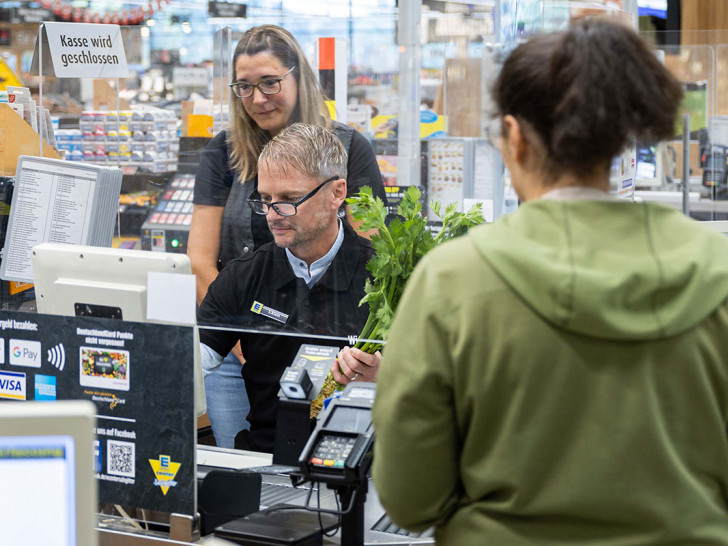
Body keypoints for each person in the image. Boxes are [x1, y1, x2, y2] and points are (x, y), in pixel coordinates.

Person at [373, 19, 728, 544]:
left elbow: (410, 499)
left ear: (515, 138)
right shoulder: (717, 268)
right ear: (621, 138)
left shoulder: (453, 279)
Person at [188, 25, 386, 448]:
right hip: (247, 335)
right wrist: (243, 328)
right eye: (244, 86)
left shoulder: (348, 147)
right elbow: (200, 258)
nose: (258, 97)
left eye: (270, 82)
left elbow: (372, 260)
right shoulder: (224, 151)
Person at [198, 123, 381, 454]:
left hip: (360, 462)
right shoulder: (244, 278)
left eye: (289, 199)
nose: (272, 215)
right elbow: (195, 361)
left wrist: (385, 379)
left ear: (337, 193)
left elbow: (436, 388)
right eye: (265, 199)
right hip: (268, 460)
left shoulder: (385, 278)